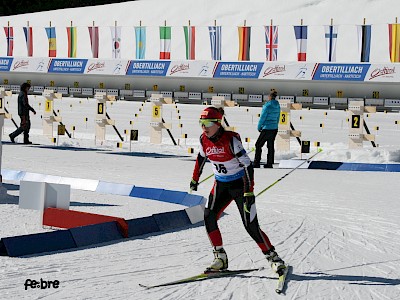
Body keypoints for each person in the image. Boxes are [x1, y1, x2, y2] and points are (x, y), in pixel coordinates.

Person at [190, 106, 285, 275]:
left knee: (250, 225)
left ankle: (273, 258)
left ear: (218, 123)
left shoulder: (231, 139)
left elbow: (248, 166)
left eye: (208, 123)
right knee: (209, 217)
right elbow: (200, 159)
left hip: (240, 185)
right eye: (201, 123)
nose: (204, 127)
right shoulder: (203, 140)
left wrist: (248, 192)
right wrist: (194, 179)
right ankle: (220, 258)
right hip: (221, 185)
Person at [254, 89, 281, 168]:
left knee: (258, 144)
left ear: (269, 97)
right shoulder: (277, 105)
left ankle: (256, 162)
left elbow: (262, 117)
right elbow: (278, 117)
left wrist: (259, 126)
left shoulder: (267, 106)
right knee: (270, 145)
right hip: (274, 128)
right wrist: (275, 125)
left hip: (267, 128)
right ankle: (270, 163)